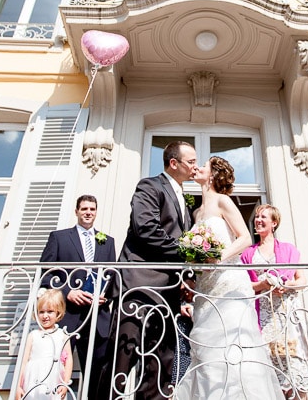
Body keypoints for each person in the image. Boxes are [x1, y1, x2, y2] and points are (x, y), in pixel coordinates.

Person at [174, 156, 284, 400]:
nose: (198, 168)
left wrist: (218, 257)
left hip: (229, 284)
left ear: (212, 175)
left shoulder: (223, 201)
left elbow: (244, 237)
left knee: (234, 347)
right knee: (207, 351)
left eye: (203, 165)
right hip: (206, 288)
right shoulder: (196, 212)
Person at [112, 141, 197, 400]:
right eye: (191, 161)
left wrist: (187, 276)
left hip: (168, 293)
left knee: (160, 365)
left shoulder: (186, 199)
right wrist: (189, 254)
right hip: (138, 286)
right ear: (174, 163)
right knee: (121, 362)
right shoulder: (150, 186)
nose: (196, 166)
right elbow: (146, 228)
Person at [39, 194, 117, 399]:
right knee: (57, 364)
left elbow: (111, 276)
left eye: (92, 209)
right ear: (76, 212)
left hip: (97, 316)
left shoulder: (108, 242)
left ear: (96, 212)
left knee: (98, 369)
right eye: (84, 209)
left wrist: (105, 297)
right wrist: (68, 292)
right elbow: (45, 273)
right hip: (68, 314)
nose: (88, 212)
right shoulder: (59, 237)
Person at [240, 204, 308, 399]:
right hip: (263, 318)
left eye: (263, 217)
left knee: (296, 371)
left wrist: (288, 284)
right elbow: (245, 286)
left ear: (274, 223)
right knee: (271, 378)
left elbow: (302, 280)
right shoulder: (248, 254)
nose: (258, 220)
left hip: (287, 316)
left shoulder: (289, 249)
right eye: (256, 217)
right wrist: (262, 284)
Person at [17, 288, 73, 400]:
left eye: (50, 311)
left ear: (58, 312)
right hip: (33, 378)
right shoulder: (33, 335)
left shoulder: (62, 335)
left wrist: (65, 383)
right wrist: (18, 386)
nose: (45, 316)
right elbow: (23, 362)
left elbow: (69, 360)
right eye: (41, 312)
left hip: (54, 379)